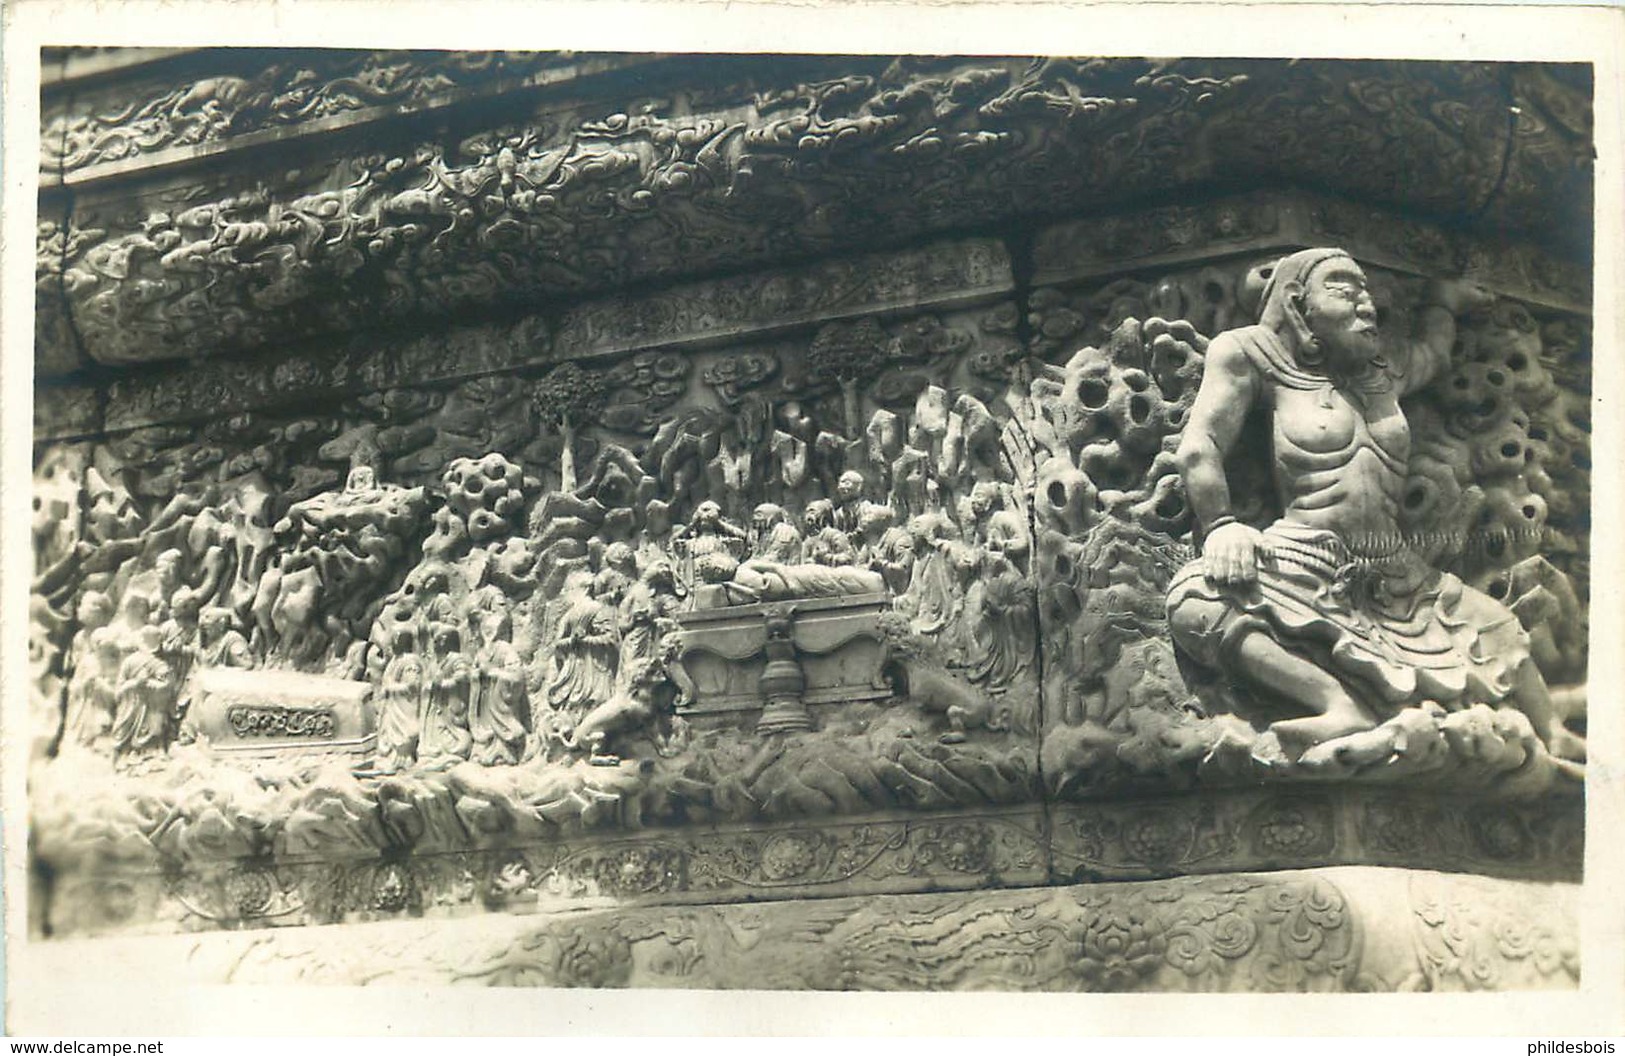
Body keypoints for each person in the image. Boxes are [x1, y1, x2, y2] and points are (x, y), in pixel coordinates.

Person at [1165, 247, 1582, 763]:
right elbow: (1199, 444)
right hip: (1303, 557)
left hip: (1396, 570)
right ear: (1298, 305)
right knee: (1196, 600)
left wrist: (1444, 303)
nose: (1365, 302)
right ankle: (1336, 703)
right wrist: (1222, 525)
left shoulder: (1382, 373)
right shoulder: (1254, 355)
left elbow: (1434, 353)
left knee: (1496, 624)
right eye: (1343, 287)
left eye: (1367, 290)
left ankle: (1552, 733)